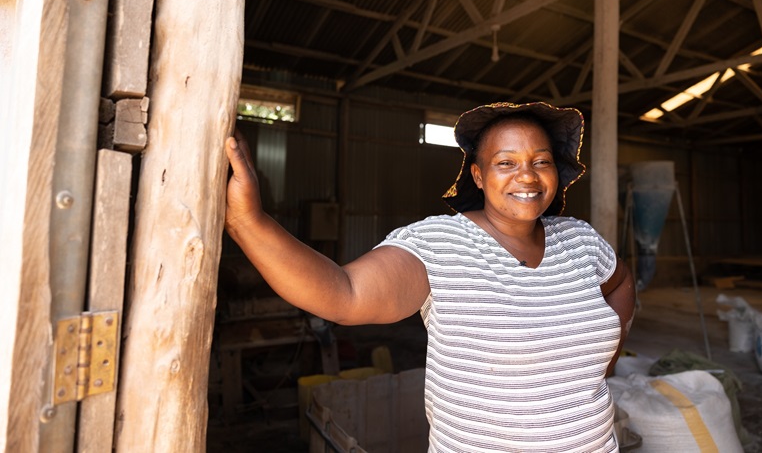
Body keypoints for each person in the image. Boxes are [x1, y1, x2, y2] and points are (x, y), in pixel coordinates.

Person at [224, 101, 635, 452]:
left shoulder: (581, 240)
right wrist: (250, 222)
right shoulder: (441, 244)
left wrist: (605, 356)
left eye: (540, 161)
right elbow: (343, 295)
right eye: (505, 163)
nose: (526, 176)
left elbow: (621, 283)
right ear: (478, 176)